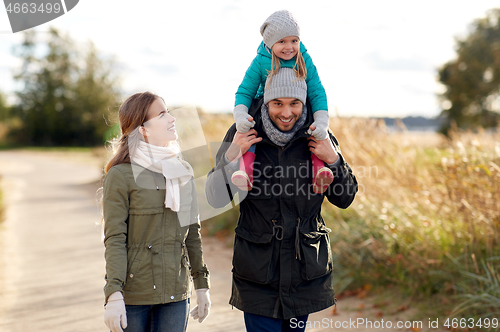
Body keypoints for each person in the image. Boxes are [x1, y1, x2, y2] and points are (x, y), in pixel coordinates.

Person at [206, 68, 358, 332]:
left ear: (304, 103)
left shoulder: (319, 135)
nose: (286, 113)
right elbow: (214, 198)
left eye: (294, 104)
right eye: (278, 103)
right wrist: (231, 157)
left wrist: (333, 160)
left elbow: (345, 198)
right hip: (257, 274)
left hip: (303, 273)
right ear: (266, 101)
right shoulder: (243, 132)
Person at [102, 92, 210, 332]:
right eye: (162, 114)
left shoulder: (182, 169)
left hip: (175, 293)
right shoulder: (120, 175)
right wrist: (114, 294)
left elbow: (192, 231)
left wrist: (201, 284)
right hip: (133, 296)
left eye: (168, 112)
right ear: (143, 129)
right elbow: (115, 239)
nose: (172, 119)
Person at [232, 9, 333, 194]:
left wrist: (321, 123)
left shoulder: (304, 59)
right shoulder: (261, 61)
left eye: (294, 40)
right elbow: (245, 91)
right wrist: (241, 116)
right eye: (282, 41)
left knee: (314, 133)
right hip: (264, 105)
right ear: (269, 43)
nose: (289, 47)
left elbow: (317, 91)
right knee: (251, 130)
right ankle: (244, 171)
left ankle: (320, 171)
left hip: (303, 109)